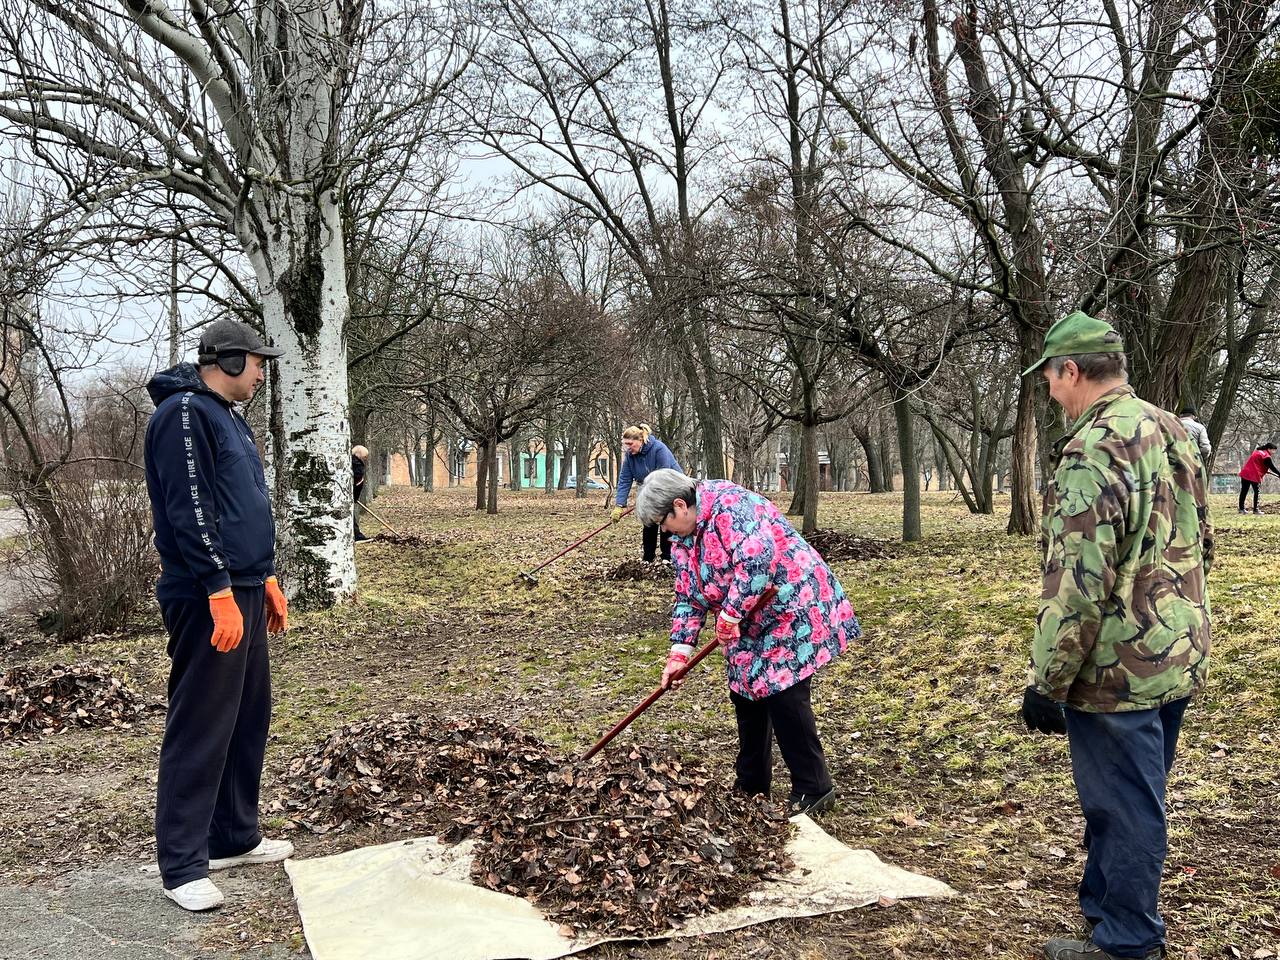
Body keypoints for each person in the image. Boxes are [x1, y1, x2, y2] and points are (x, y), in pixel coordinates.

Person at [1021, 311, 1212, 960]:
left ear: (1072, 370)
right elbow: (1202, 539)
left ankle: (1129, 942)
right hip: (1177, 646)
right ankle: (1105, 908)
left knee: (1125, 804)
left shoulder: (1091, 448)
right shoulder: (1172, 429)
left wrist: (1047, 680)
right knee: (1134, 793)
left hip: (1117, 669)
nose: (1050, 391)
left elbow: (1078, 580)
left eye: (1051, 377)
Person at [143, 319, 294, 912]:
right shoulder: (184, 413)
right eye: (257, 362)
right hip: (208, 594)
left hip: (244, 587)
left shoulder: (228, 416)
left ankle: (232, 834)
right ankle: (182, 864)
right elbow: (190, 507)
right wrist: (217, 588)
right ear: (229, 361)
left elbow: (243, 504)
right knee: (202, 721)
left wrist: (266, 576)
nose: (261, 373)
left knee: (248, 713)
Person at [636, 468, 861, 815]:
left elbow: (756, 563)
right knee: (745, 692)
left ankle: (814, 787)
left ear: (679, 505)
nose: (663, 531)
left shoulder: (731, 506)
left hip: (791, 603)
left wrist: (729, 615)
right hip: (747, 617)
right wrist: (679, 653)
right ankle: (752, 784)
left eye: (662, 522)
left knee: (784, 693)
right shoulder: (684, 539)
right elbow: (689, 596)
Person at [611, 424, 681, 562]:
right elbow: (625, 480)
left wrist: (652, 498)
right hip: (647, 487)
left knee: (666, 521)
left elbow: (663, 475)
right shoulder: (630, 456)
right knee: (648, 521)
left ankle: (667, 557)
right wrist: (619, 505)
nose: (628, 447)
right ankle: (648, 558)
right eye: (625, 444)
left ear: (641, 440)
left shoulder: (659, 449)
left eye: (630, 444)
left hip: (670, 486)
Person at [1237, 442, 1280, 515]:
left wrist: (1265, 469)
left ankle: (1241, 509)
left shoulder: (1258, 452)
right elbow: (1272, 467)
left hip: (1246, 473)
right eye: (1273, 450)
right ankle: (1256, 510)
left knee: (1244, 491)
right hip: (1254, 475)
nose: (1274, 452)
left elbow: (1258, 463)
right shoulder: (1266, 456)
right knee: (1257, 492)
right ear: (1269, 449)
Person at [352, 445, 369, 542]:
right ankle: (357, 535)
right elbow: (358, 481)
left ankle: (357, 535)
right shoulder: (357, 465)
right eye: (364, 456)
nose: (365, 459)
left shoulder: (353, 462)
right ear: (358, 454)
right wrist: (355, 496)